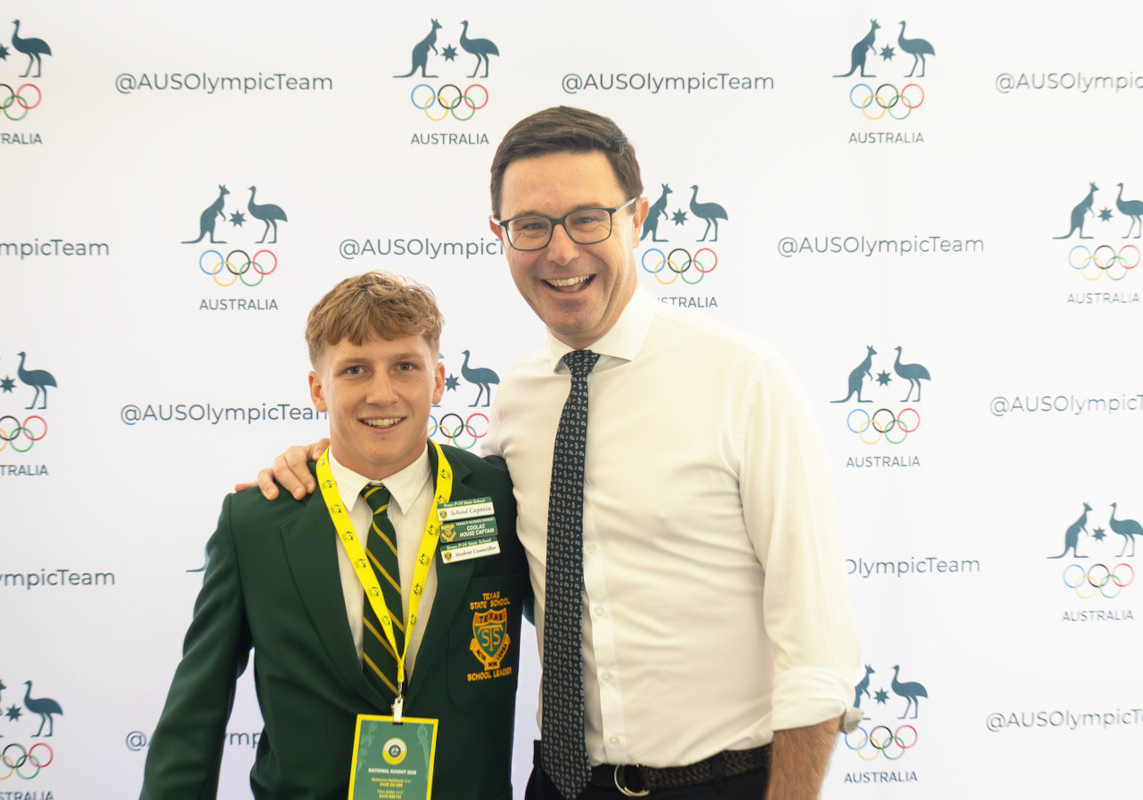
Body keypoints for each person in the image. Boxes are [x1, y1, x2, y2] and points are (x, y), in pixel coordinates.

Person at [253, 108, 861, 800]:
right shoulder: (516, 401)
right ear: (501, 237)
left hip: (723, 781)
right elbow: (438, 512)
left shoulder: (745, 380)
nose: (561, 251)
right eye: (532, 226)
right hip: (560, 785)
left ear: (639, 217)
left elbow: (817, 650)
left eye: (588, 218)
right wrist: (321, 464)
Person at [142, 271, 528, 800]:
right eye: (354, 370)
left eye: (405, 367)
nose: (382, 393)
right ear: (317, 389)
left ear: (439, 380)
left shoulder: (501, 497)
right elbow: (197, 707)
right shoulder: (255, 523)